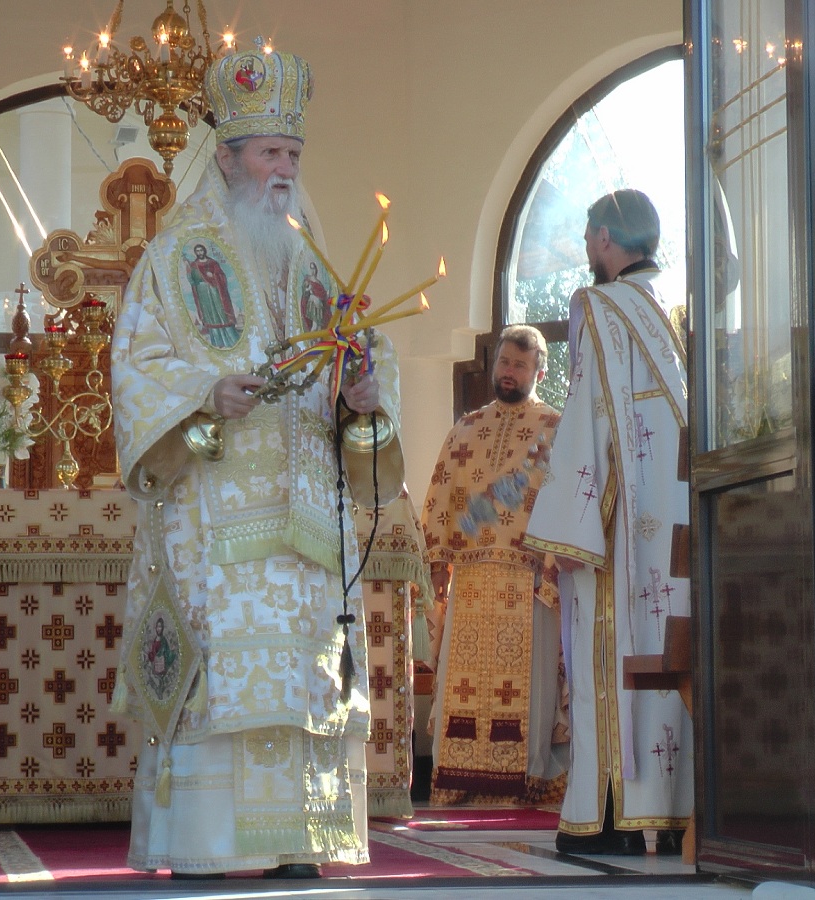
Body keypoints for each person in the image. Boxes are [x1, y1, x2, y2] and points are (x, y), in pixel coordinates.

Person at [110, 42, 405, 880]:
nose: (284, 169)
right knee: (227, 687)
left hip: (307, 532)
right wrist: (207, 393)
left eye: (294, 155)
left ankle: (297, 844)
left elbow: (358, 407)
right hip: (215, 520)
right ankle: (204, 847)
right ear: (230, 156)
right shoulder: (175, 259)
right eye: (271, 153)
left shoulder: (320, 268)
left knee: (302, 687)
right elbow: (137, 370)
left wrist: (363, 398)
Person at [523, 189, 691, 855]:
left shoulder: (597, 305)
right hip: (677, 516)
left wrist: (569, 527)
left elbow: (591, 416)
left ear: (600, 241)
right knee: (667, 651)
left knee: (609, 653)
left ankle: (610, 818)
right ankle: (669, 811)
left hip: (621, 522)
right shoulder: (674, 309)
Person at [420, 325, 567, 807]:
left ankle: (527, 778)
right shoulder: (466, 428)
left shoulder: (554, 428)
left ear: (539, 372)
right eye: (504, 362)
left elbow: (565, 496)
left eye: (519, 365)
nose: (508, 372)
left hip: (529, 578)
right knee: (461, 688)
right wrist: (438, 561)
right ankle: (459, 778)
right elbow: (441, 493)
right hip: (472, 579)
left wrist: (553, 563)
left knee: (529, 687)